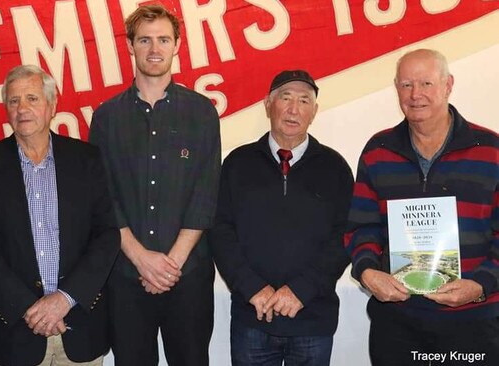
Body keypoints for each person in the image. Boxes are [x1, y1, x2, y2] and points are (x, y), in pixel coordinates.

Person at [345, 49, 499, 365]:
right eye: (406, 85)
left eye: (427, 83)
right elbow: (361, 225)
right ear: (396, 89)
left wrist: (480, 284)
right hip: (399, 324)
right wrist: (368, 271)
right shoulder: (378, 150)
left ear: (448, 85)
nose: (416, 95)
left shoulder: (492, 150)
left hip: (475, 322)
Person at [88, 4, 221, 366]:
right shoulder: (106, 117)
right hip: (126, 276)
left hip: (188, 274)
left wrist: (170, 264)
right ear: (130, 46)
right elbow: (103, 198)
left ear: (177, 45)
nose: (154, 49)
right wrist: (141, 258)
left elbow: (206, 193)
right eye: (144, 40)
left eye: (163, 39)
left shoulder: (202, 112)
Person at [0, 65, 119, 366]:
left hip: (79, 324)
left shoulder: (86, 159)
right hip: (18, 330)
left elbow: (106, 235)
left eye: (32, 98)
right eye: (13, 100)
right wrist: (32, 309)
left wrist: (64, 299)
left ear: (52, 105)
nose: (22, 108)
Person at [209, 70, 354, 366]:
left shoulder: (335, 167)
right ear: (267, 104)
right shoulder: (237, 164)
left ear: (314, 112)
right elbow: (220, 231)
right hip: (253, 318)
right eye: (285, 98)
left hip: (312, 317)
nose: (293, 109)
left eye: (304, 101)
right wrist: (252, 288)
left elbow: (346, 236)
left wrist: (301, 290)